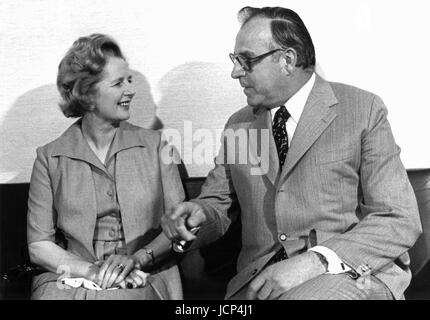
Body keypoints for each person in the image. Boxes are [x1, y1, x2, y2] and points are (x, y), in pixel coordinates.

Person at [161, 6, 422, 300]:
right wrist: (198, 216)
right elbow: (218, 204)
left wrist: (316, 260)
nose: (235, 72)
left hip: (349, 274)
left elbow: (398, 218)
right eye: (235, 60)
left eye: (246, 61)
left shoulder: (363, 110)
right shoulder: (239, 124)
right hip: (257, 283)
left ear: (287, 59)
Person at [27, 33, 184, 299]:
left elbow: (179, 228)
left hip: (144, 274)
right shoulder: (49, 157)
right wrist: (93, 273)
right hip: (72, 277)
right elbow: (40, 246)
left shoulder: (157, 146)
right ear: (87, 94)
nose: (130, 90)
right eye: (118, 83)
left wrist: (138, 260)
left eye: (130, 81)